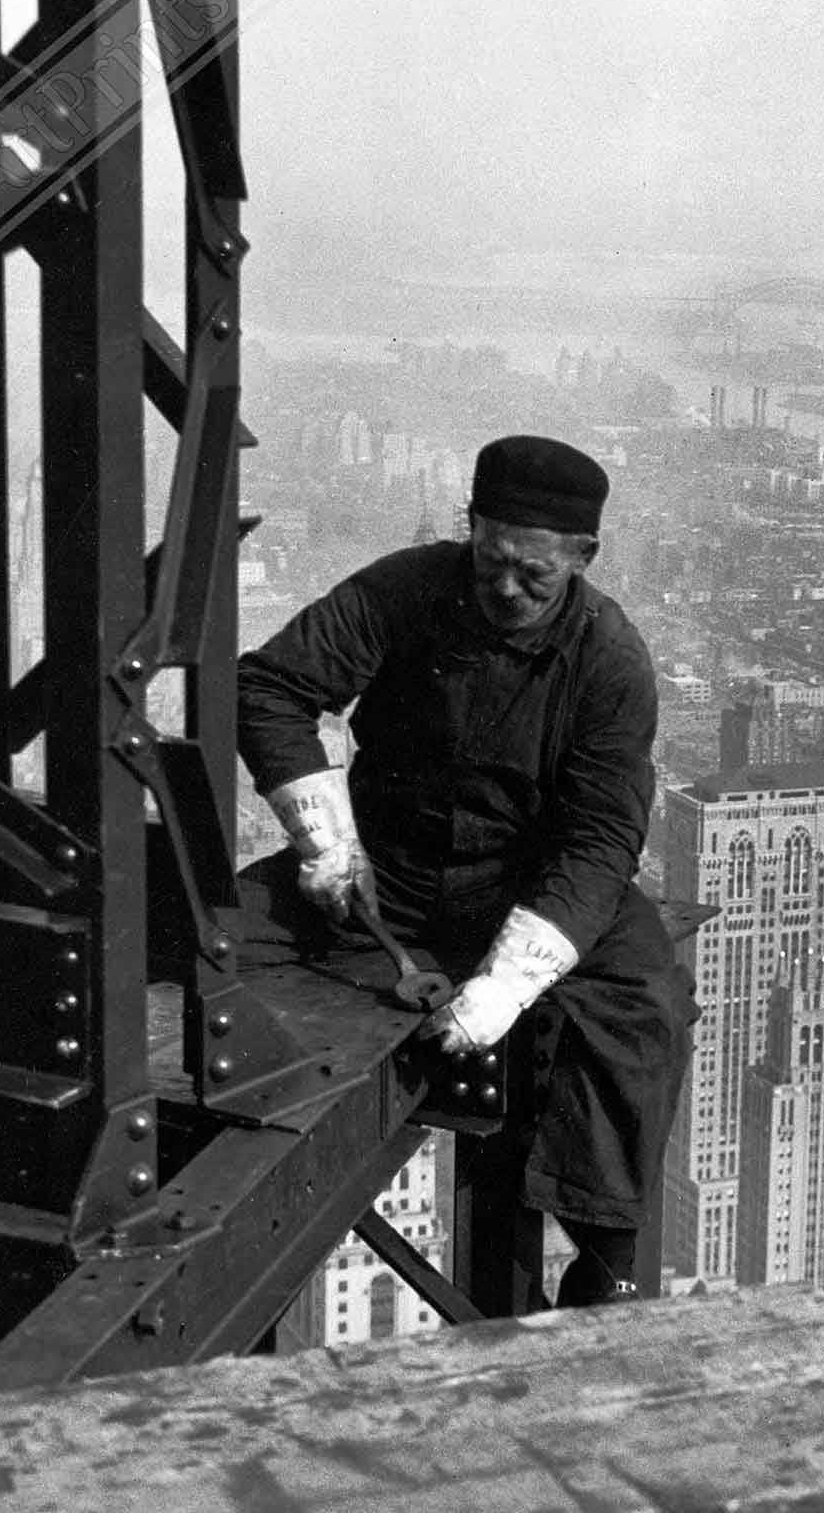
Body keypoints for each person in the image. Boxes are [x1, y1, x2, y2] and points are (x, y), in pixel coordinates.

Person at [237, 434, 693, 1308]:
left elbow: (600, 838)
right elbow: (272, 688)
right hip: (386, 868)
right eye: (491, 561)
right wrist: (326, 842)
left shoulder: (609, 658)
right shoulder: (404, 589)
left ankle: (607, 1255)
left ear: (582, 559)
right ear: (469, 529)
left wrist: (506, 986)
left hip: (525, 886)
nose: (506, 589)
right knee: (214, 933)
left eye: (534, 574)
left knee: (642, 1000)